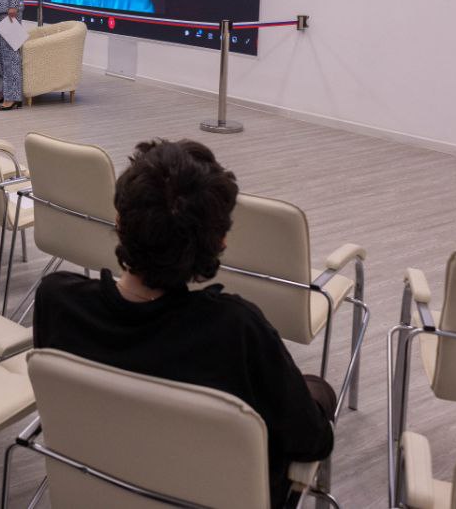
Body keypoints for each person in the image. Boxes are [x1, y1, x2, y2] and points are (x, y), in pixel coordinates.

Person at [32, 139, 336, 506]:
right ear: (220, 244)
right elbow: (312, 442)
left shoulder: (57, 300)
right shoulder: (235, 331)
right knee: (317, 390)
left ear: (118, 221)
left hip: (96, 491)